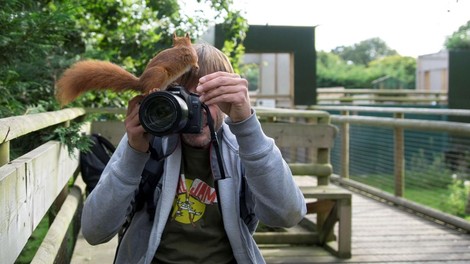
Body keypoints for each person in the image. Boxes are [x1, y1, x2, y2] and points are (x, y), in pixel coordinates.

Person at [81, 43, 307, 264]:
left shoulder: (244, 145)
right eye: (184, 99)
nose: (197, 111)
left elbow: (288, 215)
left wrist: (248, 128)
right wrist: (134, 153)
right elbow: (94, 231)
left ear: (228, 98)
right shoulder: (149, 140)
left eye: (210, 96)